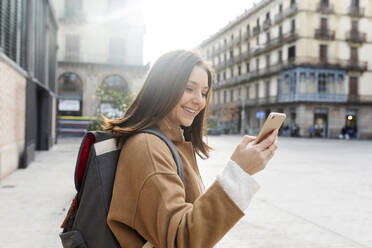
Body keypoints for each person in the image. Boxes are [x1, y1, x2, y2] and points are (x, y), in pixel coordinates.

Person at [103, 50, 278, 248]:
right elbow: (181, 239)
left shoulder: (169, 140)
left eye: (204, 92)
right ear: (163, 87)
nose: (199, 100)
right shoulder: (148, 147)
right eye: (189, 88)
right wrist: (239, 172)